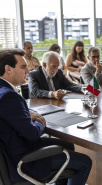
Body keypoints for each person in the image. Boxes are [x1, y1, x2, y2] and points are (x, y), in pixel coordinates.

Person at [0, 49, 92, 185]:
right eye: (23, 67)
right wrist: (41, 123)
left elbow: (16, 110)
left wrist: (29, 112)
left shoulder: (4, 90)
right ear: (8, 69)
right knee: (85, 162)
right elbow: (32, 134)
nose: (28, 71)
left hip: (16, 148)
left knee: (68, 145)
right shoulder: (9, 96)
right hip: (25, 161)